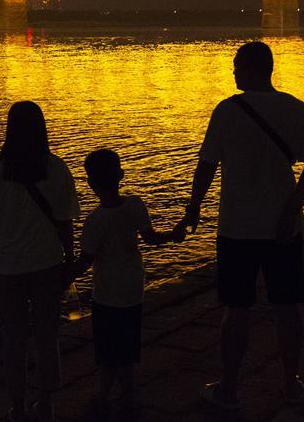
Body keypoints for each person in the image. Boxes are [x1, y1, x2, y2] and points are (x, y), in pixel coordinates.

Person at [175, 41, 304, 410]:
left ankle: (229, 389)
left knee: (236, 309)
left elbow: (207, 166)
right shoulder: (297, 109)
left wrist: (194, 207)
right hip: (284, 229)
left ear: (254, 69)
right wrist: (291, 209)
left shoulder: (226, 112)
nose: (233, 72)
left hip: (237, 228)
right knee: (287, 307)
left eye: (237, 66)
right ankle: (290, 383)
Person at [0, 101, 80, 422]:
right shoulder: (56, 168)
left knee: (14, 338)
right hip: (48, 263)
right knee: (47, 334)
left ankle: (18, 406)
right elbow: (65, 222)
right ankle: (46, 402)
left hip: (8, 267)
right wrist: (69, 259)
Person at [70, 149, 183, 420]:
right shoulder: (135, 205)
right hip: (133, 289)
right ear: (121, 175)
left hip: (107, 295)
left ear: (89, 183)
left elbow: (84, 262)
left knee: (108, 349)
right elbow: (151, 238)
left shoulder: (94, 221)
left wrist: (58, 276)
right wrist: (173, 235)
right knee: (127, 345)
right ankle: (125, 395)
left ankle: (106, 397)